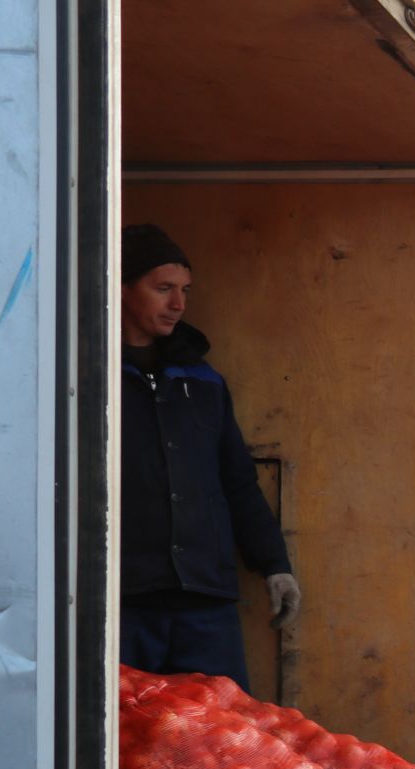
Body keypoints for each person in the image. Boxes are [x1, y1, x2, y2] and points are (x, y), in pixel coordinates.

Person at [119, 224, 299, 690]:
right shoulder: (82, 374)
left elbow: (237, 482)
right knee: (121, 740)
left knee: (220, 740)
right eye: (162, 289)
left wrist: (275, 565)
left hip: (204, 600)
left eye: (184, 291)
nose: (178, 304)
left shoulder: (201, 381)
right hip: (120, 599)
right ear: (118, 286)